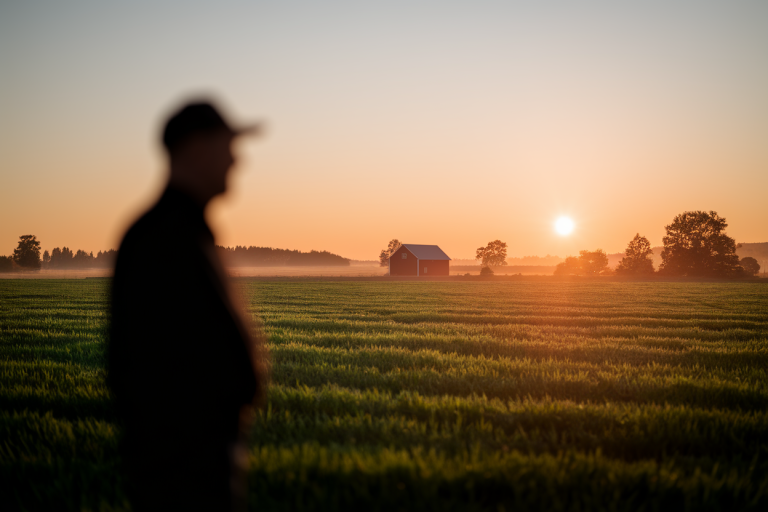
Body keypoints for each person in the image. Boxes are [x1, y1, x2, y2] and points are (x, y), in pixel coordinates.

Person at [108, 101, 268, 511]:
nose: (237, 159)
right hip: (182, 476)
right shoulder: (164, 237)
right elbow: (144, 368)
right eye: (227, 146)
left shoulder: (185, 230)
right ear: (195, 148)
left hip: (193, 466)